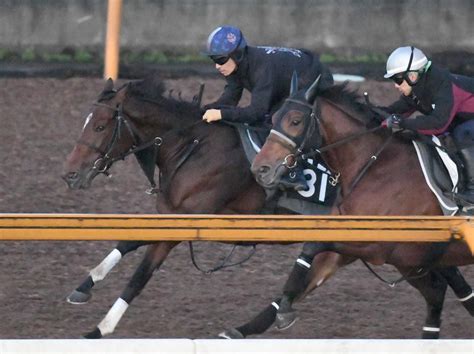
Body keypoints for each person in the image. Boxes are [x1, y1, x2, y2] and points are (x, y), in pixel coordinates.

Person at [201, 25, 334, 191]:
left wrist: (220, 113)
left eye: (220, 60)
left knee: (275, 119)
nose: (217, 66)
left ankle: (294, 172)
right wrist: (204, 110)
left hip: (315, 78)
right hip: (287, 82)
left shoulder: (262, 69)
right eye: (214, 60)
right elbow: (230, 98)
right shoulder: (238, 64)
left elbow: (255, 113)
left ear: (238, 55)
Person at [381, 46, 474, 203]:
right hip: (462, 119)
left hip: (464, 124)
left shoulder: (443, 86)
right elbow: (396, 111)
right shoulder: (417, 88)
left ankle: (472, 190)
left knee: (462, 133)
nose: (396, 85)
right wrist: (370, 113)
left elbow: (438, 124)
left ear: (412, 76)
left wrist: (403, 124)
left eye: (397, 79)